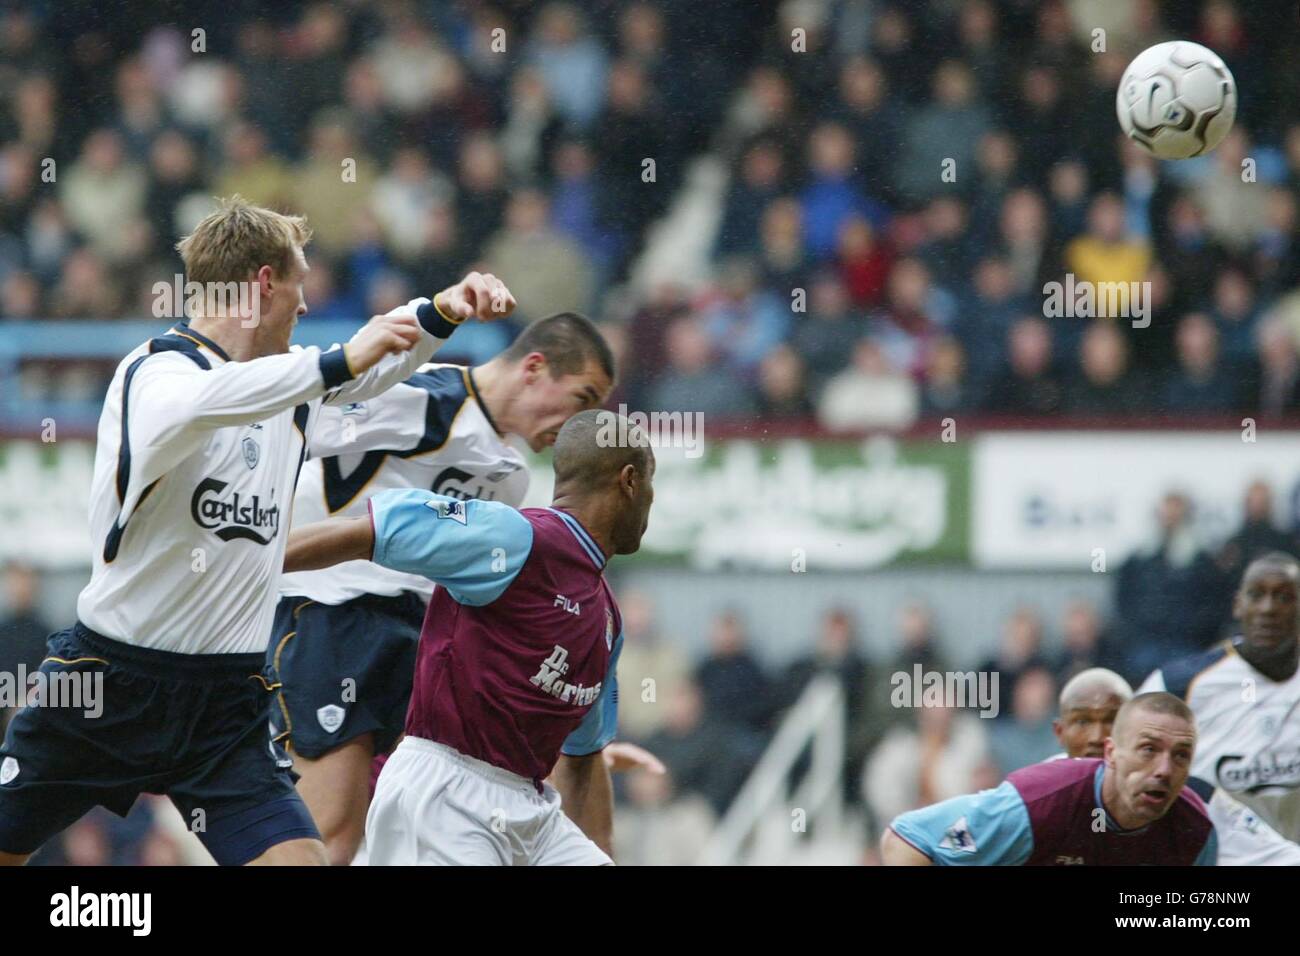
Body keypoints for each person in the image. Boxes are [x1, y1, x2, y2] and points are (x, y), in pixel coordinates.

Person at [0, 196, 515, 867]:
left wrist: (439, 311)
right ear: (264, 285)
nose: (304, 307)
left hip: (225, 705)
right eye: (299, 286)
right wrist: (333, 363)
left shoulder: (289, 392)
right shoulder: (155, 372)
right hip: (110, 685)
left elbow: (367, 371)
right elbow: (215, 401)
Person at [269, 312, 615, 864]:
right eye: (583, 396)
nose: (581, 420)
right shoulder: (417, 395)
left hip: (418, 638)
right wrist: (247, 554)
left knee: (388, 824)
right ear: (534, 368)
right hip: (332, 611)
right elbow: (300, 416)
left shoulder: (512, 476)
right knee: (329, 832)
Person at [881, 693, 1216, 865]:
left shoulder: (1195, 831)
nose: (1164, 770)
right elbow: (907, 838)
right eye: (1148, 750)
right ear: (1111, 753)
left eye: (1180, 756)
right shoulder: (1038, 805)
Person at [1139, 552, 1300, 844]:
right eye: (1256, 595)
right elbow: (1124, 772)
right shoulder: (1177, 685)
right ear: (1238, 605)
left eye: (1284, 597)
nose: (1268, 609)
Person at [1063, 668, 1300, 865]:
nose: (1097, 735)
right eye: (1082, 721)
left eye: (1112, 720)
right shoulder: (1041, 795)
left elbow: (1281, 857)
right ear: (1060, 732)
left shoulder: (1195, 799)